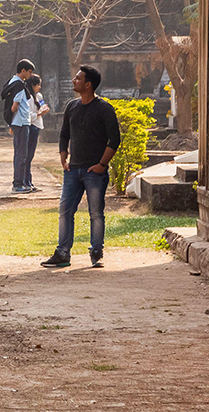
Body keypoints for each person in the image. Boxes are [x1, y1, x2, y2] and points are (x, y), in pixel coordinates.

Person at [41, 65, 121, 269]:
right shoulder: (72, 106)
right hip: (73, 170)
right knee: (65, 211)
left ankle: (96, 252)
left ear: (88, 84)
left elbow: (114, 139)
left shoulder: (103, 108)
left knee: (96, 213)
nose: (74, 80)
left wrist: (102, 165)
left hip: (94, 171)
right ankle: (62, 253)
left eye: (78, 79)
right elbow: (64, 134)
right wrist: (63, 157)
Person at [10, 74, 49, 193]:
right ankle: (24, 182)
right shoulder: (27, 97)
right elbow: (26, 114)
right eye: (38, 85)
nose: (39, 87)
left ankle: (28, 182)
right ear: (33, 85)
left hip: (36, 126)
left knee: (29, 157)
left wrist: (44, 109)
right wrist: (38, 114)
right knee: (25, 156)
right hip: (30, 126)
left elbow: (42, 105)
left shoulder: (38, 95)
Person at [2, 59, 35, 193]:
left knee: (19, 154)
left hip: (17, 122)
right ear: (23, 71)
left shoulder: (11, 82)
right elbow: (14, 106)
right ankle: (18, 184)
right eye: (29, 72)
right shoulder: (19, 86)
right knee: (21, 154)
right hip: (21, 122)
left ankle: (20, 183)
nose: (30, 75)